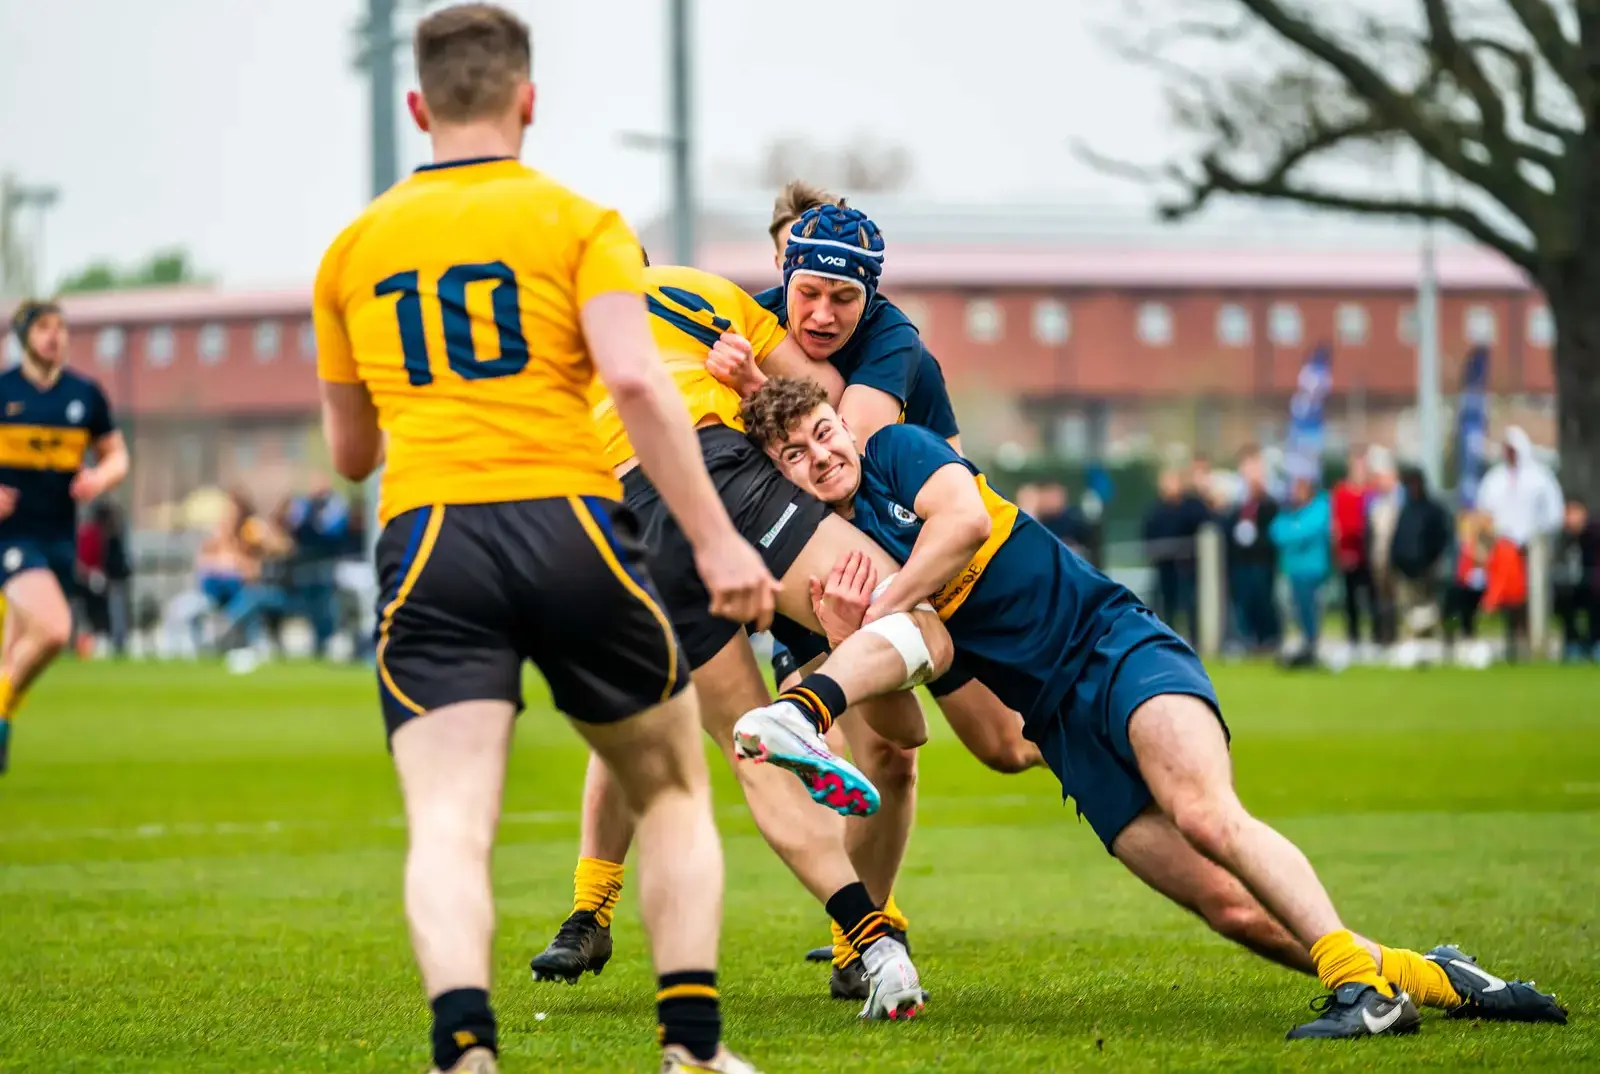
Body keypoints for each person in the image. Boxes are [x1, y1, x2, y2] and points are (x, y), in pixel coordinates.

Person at [740, 375, 1567, 1039]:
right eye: (792, 456)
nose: (817, 456)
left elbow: (958, 523)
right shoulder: (840, 564)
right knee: (1228, 905)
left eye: (821, 433)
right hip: (1058, 724)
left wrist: (884, 602)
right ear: (781, 480)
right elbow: (906, 729)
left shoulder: (896, 450)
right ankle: (1429, 976)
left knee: (1206, 813)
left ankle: (1363, 993)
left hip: (1115, 644)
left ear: (843, 426)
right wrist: (856, 631)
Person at [312, 7, 782, 1071]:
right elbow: (631, 377)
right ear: (529, 101)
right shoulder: (581, 221)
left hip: (431, 537)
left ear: (417, 106)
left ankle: (465, 1048)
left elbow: (350, 453)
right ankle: (692, 1050)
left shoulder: (351, 248)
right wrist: (716, 542)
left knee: (449, 822)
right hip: (569, 521)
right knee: (668, 787)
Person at [526, 256, 944, 1025]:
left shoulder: (550, 332)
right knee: (915, 621)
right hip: (720, 474)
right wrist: (752, 382)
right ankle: (839, 707)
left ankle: (874, 943)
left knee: (747, 751)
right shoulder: (696, 289)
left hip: (629, 514)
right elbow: (817, 403)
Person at [744, 193, 1041, 995]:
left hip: (921, 563)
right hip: (821, 562)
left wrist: (756, 369)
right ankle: (862, 940)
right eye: (808, 291)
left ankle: (1097, 718)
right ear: (782, 268)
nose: (823, 312)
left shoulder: (892, 339)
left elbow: (847, 431)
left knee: (1003, 748)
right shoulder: (744, 317)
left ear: (872, 293)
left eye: (846, 297)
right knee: (868, 749)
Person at [0, 299, 128, 773]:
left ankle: (4, 716)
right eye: (44, 329)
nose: (55, 337)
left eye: (61, 328)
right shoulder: (4, 390)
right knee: (54, 631)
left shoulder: (84, 395)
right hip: (11, 538)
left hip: (60, 537)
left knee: (14, 651)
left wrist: (100, 479)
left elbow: (117, 456)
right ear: (24, 337)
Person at [1268, 466, 1332, 668]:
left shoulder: (1320, 506)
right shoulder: (1290, 510)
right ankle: (1303, 647)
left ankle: (1312, 648)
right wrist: (1295, 530)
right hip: (1292, 570)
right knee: (1293, 611)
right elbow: (1276, 532)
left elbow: (1306, 531)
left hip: (1312, 571)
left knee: (1310, 611)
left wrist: (1293, 530)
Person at [1388, 467, 1452, 651]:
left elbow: (1441, 539)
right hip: (1405, 570)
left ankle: (1433, 645)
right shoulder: (1406, 509)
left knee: (1429, 612)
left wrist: (1432, 562)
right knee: (1408, 613)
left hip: (1426, 570)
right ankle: (1411, 645)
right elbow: (1398, 538)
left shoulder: (1433, 510)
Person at [1224, 446, 1281, 653]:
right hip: (1240, 561)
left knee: (1264, 600)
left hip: (1262, 560)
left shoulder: (1270, 501)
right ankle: (1248, 640)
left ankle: (1269, 639)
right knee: (1243, 601)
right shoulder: (1236, 501)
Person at [1142, 468, 1206, 642]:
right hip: (1165, 568)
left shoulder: (1190, 506)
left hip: (1186, 567)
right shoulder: (1156, 511)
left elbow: (1200, 522)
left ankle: (1195, 639)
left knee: (1190, 605)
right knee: (1166, 606)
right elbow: (1149, 535)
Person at [1330, 450, 1374, 651]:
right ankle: (1353, 638)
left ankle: (1375, 637)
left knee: (1373, 597)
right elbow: (1338, 524)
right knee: (1350, 599)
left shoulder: (1371, 492)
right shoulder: (1342, 492)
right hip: (1349, 552)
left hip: (1369, 552)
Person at [1553, 497, 1600, 661]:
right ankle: (1573, 644)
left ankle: (1595, 643)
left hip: (1594, 586)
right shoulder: (1562, 537)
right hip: (1571, 588)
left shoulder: (1594, 533)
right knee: (1562, 600)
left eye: (1575, 512)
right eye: (1568, 513)